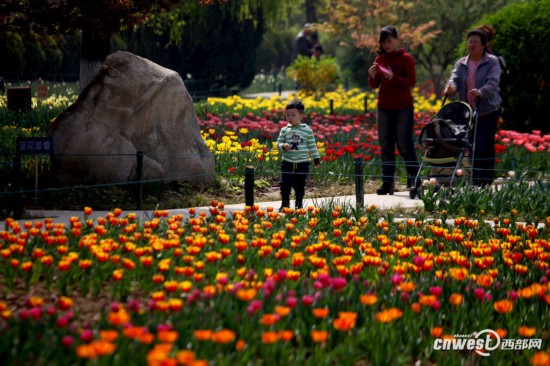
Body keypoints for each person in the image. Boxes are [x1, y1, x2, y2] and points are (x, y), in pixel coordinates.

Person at [443, 29, 501, 187]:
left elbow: (493, 82)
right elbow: (453, 79)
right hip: (468, 112)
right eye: (470, 41)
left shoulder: (492, 61)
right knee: (470, 145)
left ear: (484, 44)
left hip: (487, 111)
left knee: (483, 145)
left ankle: (484, 180)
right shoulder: (462, 63)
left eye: (475, 42)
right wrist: (450, 87)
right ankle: (475, 179)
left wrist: (481, 92)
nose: (471, 44)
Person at [368, 25, 419, 195]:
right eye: (384, 42)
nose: (387, 45)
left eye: (389, 41)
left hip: (403, 108)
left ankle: (415, 180)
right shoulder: (379, 59)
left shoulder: (405, 58)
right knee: (386, 145)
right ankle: (387, 183)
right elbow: (374, 85)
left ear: (397, 40)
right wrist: (372, 75)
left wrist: (393, 77)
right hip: (384, 107)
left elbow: (411, 81)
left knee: (405, 144)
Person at [276, 99, 321, 211]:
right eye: (287, 115)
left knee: (300, 185)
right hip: (287, 162)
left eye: (293, 115)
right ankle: (285, 203)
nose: (289, 117)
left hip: (302, 163)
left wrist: (316, 159)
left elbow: (312, 145)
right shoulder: (284, 130)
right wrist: (282, 145)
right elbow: (278, 142)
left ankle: (299, 204)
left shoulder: (307, 130)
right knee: (285, 184)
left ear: (301, 115)